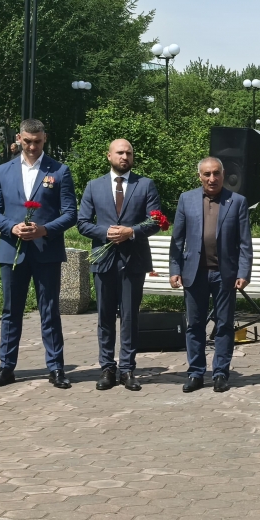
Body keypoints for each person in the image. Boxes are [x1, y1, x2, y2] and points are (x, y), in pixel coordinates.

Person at [0, 119, 77, 389]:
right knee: (10, 311)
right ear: (19, 139)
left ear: (44, 139)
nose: (33, 146)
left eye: (37, 141)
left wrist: (45, 230)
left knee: (49, 310)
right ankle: (6, 367)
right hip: (12, 251)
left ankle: (56, 367)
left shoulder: (60, 171)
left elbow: (71, 214)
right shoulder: (3, 171)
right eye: (27, 141)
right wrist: (11, 227)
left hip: (46, 252)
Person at [77, 139, 163, 392]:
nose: (125, 157)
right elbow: (82, 222)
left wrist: (132, 231)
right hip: (104, 261)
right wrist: (106, 233)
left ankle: (127, 369)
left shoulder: (144, 184)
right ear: (109, 156)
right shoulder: (94, 186)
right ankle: (107, 368)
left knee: (129, 316)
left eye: (129, 153)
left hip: (133, 261)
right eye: (120, 153)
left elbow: (155, 220)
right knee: (104, 317)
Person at [170, 157, 252, 394]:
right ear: (200, 176)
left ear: (223, 174)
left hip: (224, 274)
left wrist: (244, 271)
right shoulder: (186, 199)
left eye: (216, 173)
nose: (212, 178)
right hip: (194, 273)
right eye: (207, 174)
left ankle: (220, 373)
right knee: (194, 325)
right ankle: (196, 373)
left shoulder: (237, 202)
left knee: (224, 326)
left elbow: (245, 242)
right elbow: (177, 239)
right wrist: (175, 269)